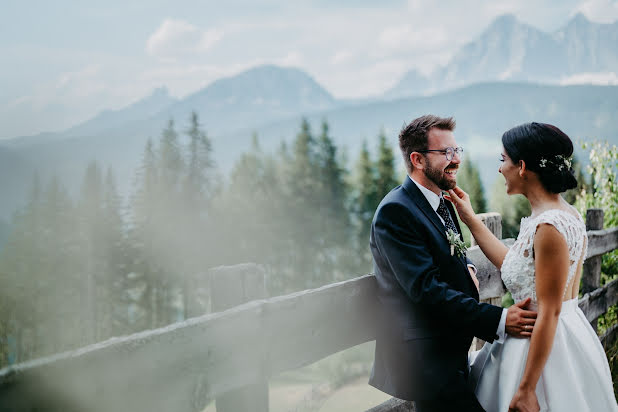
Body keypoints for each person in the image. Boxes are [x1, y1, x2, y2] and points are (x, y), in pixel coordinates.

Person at [368, 114, 537, 412]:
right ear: (418, 160)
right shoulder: (395, 212)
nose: (456, 159)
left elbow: (442, 257)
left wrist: (466, 268)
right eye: (446, 152)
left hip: (451, 354)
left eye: (457, 150)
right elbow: (426, 289)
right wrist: (499, 320)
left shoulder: (444, 202)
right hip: (426, 363)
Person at [446, 122, 617, 411]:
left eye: (503, 160)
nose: (500, 169)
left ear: (522, 166)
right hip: (565, 332)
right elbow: (517, 265)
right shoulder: (563, 214)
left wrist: (526, 388)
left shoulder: (549, 226)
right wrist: (471, 219)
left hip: (542, 349)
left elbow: (549, 311)